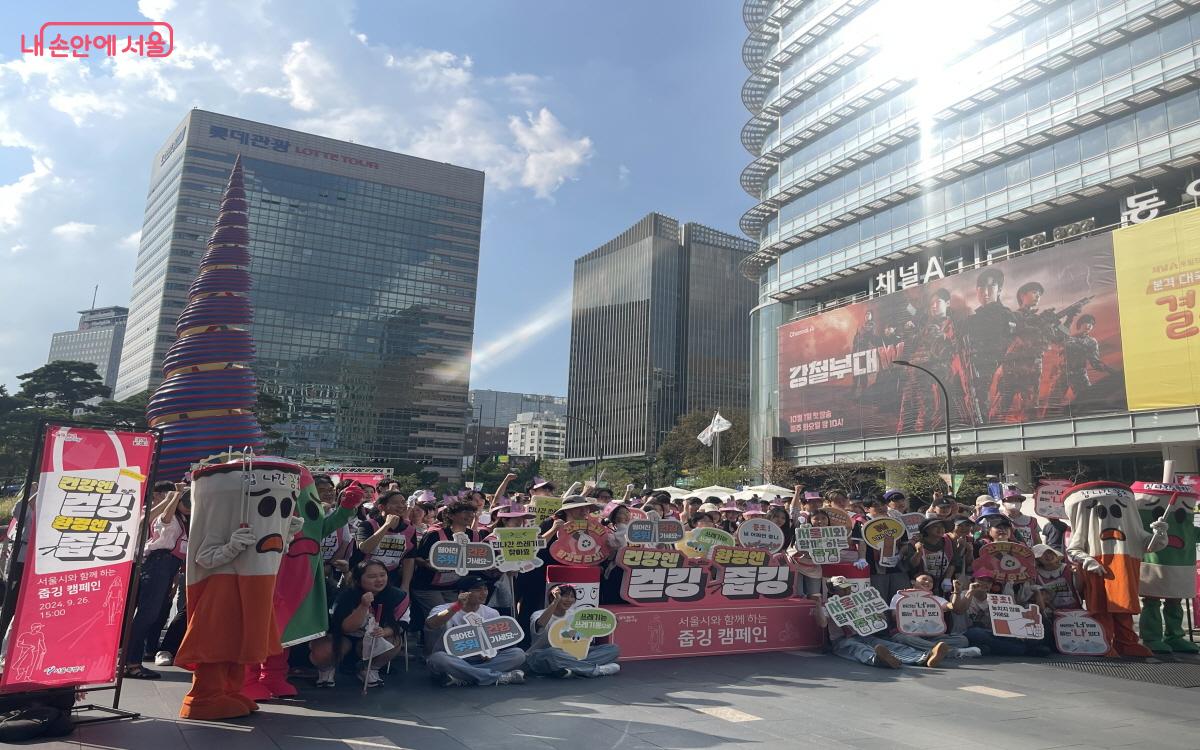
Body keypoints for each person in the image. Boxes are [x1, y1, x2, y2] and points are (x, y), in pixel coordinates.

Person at [124, 485, 190, 679]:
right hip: (158, 563)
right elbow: (164, 519)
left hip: (168, 566)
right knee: (146, 615)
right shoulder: (168, 516)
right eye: (185, 502)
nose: (188, 506)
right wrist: (175, 496)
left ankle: (129, 660)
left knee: (150, 616)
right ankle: (132, 663)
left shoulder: (184, 519)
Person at [311, 560, 409, 688]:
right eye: (372, 576)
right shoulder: (345, 596)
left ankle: (370, 670)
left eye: (382, 575)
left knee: (394, 640)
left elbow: (403, 624)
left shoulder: (398, 596)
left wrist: (385, 631)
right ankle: (326, 670)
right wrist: (363, 606)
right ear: (358, 579)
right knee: (323, 649)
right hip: (343, 639)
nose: (379, 580)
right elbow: (345, 628)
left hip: (372, 640)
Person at [819, 577, 949, 669]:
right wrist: (817, 605)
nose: (846, 591)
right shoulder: (828, 606)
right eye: (842, 589)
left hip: (864, 635)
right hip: (841, 639)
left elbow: (880, 621)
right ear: (833, 591)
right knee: (858, 648)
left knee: (886, 644)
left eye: (847, 588)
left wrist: (878, 614)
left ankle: (925, 657)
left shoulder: (858, 602)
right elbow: (822, 623)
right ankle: (879, 659)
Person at [425, 576, 526, 687]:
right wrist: (456, 607)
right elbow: (431, 624)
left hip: (481, 660)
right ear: (463, 593)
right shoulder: (443, 609)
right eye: (478, 590)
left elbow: (494, 641)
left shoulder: (492, 613)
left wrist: (491, 652)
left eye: (485, 589)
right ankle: (496, 677)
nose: (484, 593)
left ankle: (463, 676)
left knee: (518, 654)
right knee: (438, 659)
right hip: (453, 659)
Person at [411, 500, 484, 651]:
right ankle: (434, 654)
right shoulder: (435, 535)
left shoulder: (475, 536)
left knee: (460, 618)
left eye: (472, 512)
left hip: (454, 587)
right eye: (464, 512)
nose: (469, 516)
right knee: (440, 619)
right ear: (451, 515)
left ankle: (458, 652)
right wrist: (428, 565)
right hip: (428, 587)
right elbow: (417, 558)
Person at [525, 584, 620, 678]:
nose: (569, 600)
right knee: (553, 653)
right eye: (565, 596)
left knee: (613, 649)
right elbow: (540, 624)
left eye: (572, 596)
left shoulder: (573, 615)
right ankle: (595, 670)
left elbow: (581, 634)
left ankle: (569, 667)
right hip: (542, 655)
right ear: (552, 598)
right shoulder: (538, 614)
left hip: (570, 653)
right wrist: (556, 601)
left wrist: (610, 621)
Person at [886, 574, 981, 659]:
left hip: (931, 636)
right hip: (907, 634)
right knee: (903, 639)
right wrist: (912, 602)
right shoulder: (900, 597)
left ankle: (927, 649)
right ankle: (953, 652)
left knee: (962, 640)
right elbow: (894, 616)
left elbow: (953, 607)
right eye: (924, 579)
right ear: (913, 582)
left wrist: (956, 592)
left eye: (931, 581)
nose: (927, 582)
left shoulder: (936, 599)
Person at [355, 490, 417, 589]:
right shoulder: (367, 525)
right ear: (381, 507)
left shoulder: (410, 529)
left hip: (392, 578)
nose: (401, 506)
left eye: (403, 502)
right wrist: (386, 526)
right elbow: (364, 548)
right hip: (364, 578)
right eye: (395, 503)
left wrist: (405, 585)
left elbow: (409, 559)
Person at [853, 498, 911, 601]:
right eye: (876, 505)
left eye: (883, 504)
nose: (881, 507)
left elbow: (905, 543)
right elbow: (860, 542)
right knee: (879, 600)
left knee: (902, 598)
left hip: (896, 567)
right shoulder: (861, 522)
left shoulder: (895, 521)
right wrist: (862, 558)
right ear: (866, 508)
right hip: (874, 568)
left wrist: (899, 556)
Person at [906, 518, 957, 595]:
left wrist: (947, 578)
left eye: (942, 526)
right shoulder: (915, 543)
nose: (940, 529)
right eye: (935, 526)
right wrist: (918, 552)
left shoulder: (949, 541)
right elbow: (912, 565)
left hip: (943, 583)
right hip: (921, 583)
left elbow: (952, 562)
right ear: (926, 530)